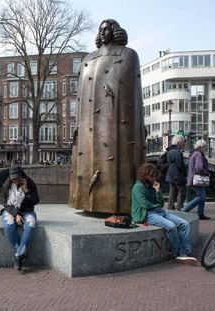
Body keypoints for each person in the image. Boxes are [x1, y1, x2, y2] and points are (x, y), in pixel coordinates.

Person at [69, 19, 144, 214]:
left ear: (115, 31)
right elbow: (80, 95)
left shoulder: (129, 55)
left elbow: (132, 94)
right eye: (100, 30)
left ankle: (119, 202)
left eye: (107, 29)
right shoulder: (88, 59)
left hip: (118, 124)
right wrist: (78, 123)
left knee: (117, 161)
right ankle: (87, 200)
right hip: (88, 125)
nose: (103, 33)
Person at [131, 163, 197, 265]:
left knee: (185, 224)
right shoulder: (138, 187)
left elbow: (161, 204)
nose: (153, 178)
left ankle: (186, 252)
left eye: (154, 176)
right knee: (171, 226)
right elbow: (145, 205)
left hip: (157, 211)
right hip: (145, 214)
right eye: (151, 176)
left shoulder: (151, 186)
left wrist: (157, 191)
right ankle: (179, 254)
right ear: (144, 175)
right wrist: (157, 206)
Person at [0, 165, 39, 271]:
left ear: (21, 175)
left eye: (17, 177)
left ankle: (17, 255)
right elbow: (5, 203)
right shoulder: (7, 185)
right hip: (10, 210)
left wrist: (26, 190)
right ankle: (21, 253)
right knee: (9, 226)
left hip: (27, 210)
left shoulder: (29, 183)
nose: (15, 180)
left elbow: (35, 201)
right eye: (13, 178)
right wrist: (16, 214)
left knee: (30, 225)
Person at [181, 140, 211, 220]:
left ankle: (200, 214)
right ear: (201, 147)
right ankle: (184, 209)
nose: (206, 148)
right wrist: (207, 173)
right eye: (205, 147)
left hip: (194, 178)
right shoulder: (198, 154)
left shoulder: (194, 153)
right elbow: (199, 168)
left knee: (202, 196)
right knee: (201, 196)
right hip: (197, 179)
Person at [165, 135, 187, 210]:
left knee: (172, 193)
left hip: (170, 174)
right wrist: (184, 173)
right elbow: (180, 165)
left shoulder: (169, 151)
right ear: (178, 142)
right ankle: (179, 208)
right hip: (178, 175)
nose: (183, 144)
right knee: (182, 191)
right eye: (182, 142)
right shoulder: (178, 152)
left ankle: (170, 208)